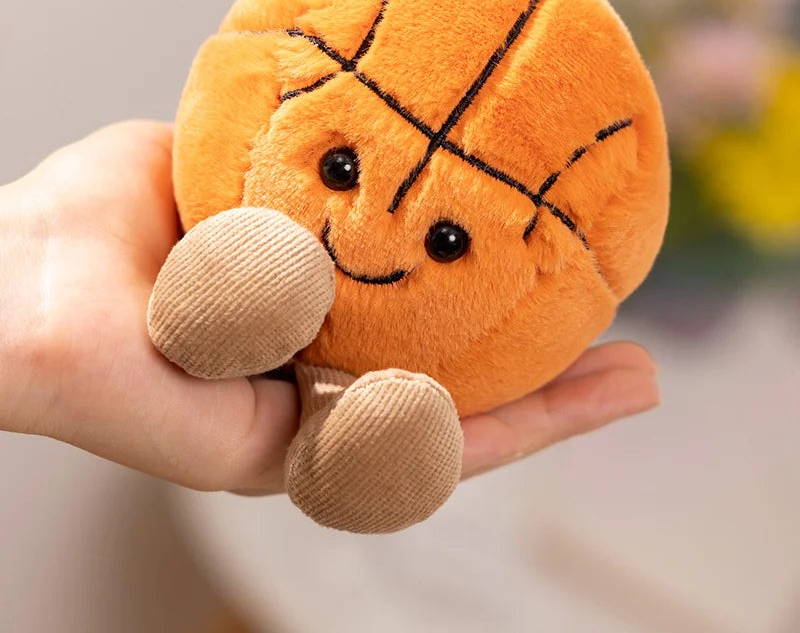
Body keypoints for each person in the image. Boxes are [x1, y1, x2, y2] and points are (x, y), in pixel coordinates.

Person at [0, 121, 659, 494]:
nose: (372, 235)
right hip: (242, 247)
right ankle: (236, 280)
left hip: (359, 374)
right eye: (342, 169)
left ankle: (353, 429)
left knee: (360, 419)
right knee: (271, 264)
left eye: (448, 241)